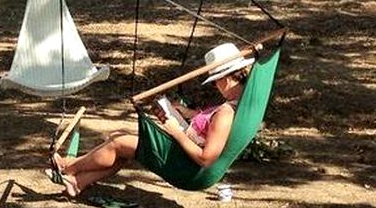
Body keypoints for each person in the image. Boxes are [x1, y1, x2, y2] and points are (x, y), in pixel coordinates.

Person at [50, 42, 252, 198]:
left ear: (227, 78)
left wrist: (176, 132)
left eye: (216, 81)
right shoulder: (237, 103)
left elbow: (206, 158)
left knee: (120, 143)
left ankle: (68, 168)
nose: (216, 85)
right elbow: (208, 129)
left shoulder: (226, 113)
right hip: (183, 153)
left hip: (188, 167)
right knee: (119, 137)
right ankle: (78, 183)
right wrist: (187, 114)